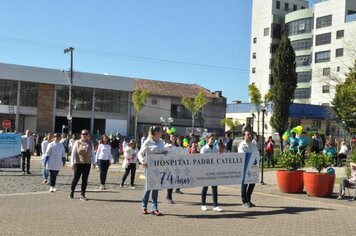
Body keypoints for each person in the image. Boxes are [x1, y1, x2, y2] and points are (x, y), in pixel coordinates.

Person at [138, 126, 168, 216]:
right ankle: (144, 206)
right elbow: (140, 153)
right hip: (149, 167)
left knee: (156, 187)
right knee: (148, 187)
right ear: (155, 133)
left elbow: (162, 151)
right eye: (160, 132)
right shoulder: (147, 141)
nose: (162, 133)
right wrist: (142, 161)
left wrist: (164, 152)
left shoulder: (161, 142)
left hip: (159, 167)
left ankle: (154, 208)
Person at [70, 129, 96, 201]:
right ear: (81, 135)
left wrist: (94, 162)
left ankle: (82, 194)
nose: (85, 135)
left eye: (86, 134)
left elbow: (93, 154)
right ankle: (72, 191)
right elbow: (73, 153)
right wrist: (72, 163)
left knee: (85, 179)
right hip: (78, 163)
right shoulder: (77, 142)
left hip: (87, 164)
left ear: (88, 135)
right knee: (76, 178)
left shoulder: (91, 143)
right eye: (83, 134)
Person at [200, 134, 223, 212]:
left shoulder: (216, 148)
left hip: (213, 170)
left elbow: (217, 158)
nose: (213, 140)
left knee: (214, 188)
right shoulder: (204, 149)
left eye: (214, 139)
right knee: (205, 187)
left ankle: (215, 206)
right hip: (206, 170)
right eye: (211, 139)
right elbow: (201, 160)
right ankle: (203, 204)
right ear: (207, 140)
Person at [238, 128, 259, 208]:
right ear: (244, 136)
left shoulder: (253, 145)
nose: (250, 136)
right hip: (244, 168)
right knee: (244, 185)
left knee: (252, 184)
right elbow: (242, 156)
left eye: (251, 135)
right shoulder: (241, 145)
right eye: (248, 135)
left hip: (253, 168)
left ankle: (248, 200)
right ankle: (244, 201)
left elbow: (256, 155)